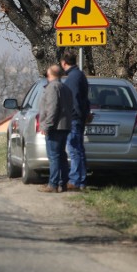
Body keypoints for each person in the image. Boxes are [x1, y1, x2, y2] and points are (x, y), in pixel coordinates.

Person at [38, 64, 73, 193]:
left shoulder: (53, 87)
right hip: (64, 126)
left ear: (50, 74)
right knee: (61, 156)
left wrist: (47, 125)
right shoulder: (65, 88)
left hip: (55, 127)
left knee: (54, 156)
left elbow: (52, 108)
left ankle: (53, 184)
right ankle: (62, 183)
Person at [61, 50, 90, 191]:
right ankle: (82, 181)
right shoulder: (80, 75)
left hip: (74, 119)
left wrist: (75, 115)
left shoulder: (72, 78)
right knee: (79, 149)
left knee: (74, 149)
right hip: (79, 117)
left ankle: (75, 180)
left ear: (63, 63)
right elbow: (85, 99)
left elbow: (73, 100)